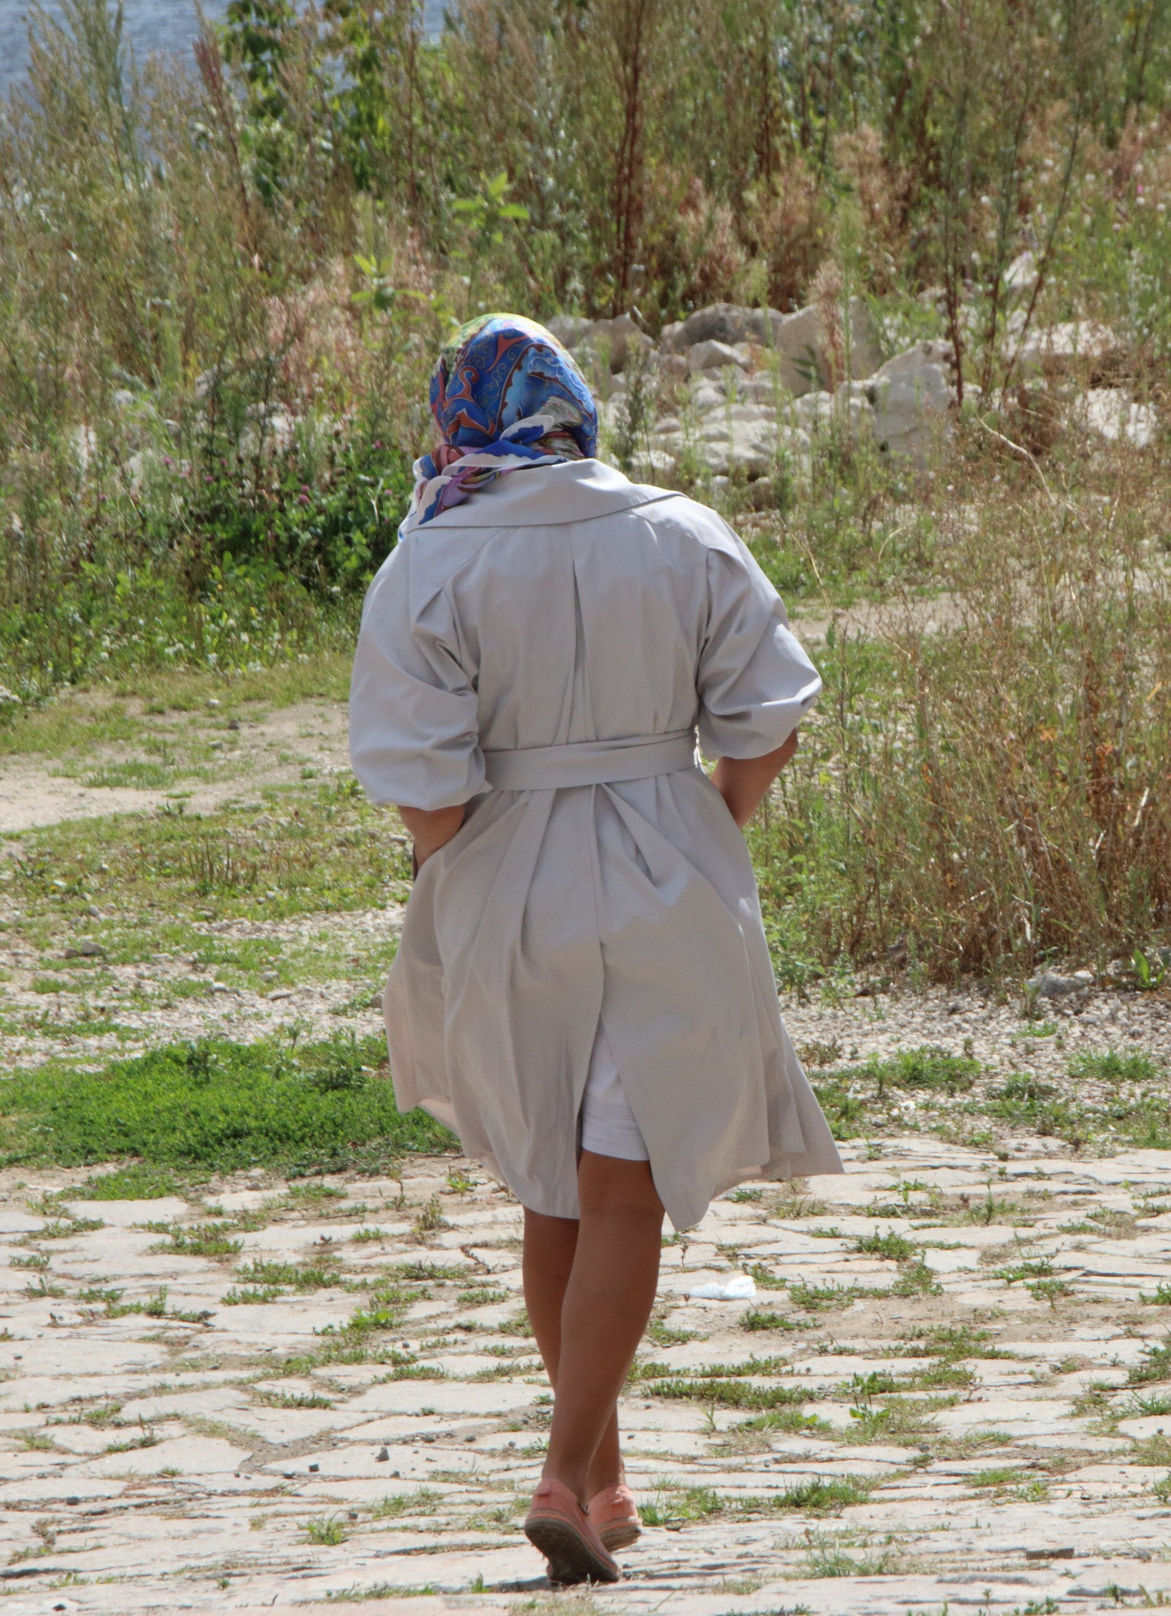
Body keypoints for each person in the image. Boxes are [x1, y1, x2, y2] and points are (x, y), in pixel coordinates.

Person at [350, 314, 843, 1585]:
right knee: (623, 1186)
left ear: (459, 417)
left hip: (509, 879)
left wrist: (467, 867)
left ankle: (601, 1478)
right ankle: (570, 1471)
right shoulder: (683, 533)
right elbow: (770, 717)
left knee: (552, 1187)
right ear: (572, 406)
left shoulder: (430, 555)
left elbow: (420, 786)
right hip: (668, 867)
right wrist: (706, 824)